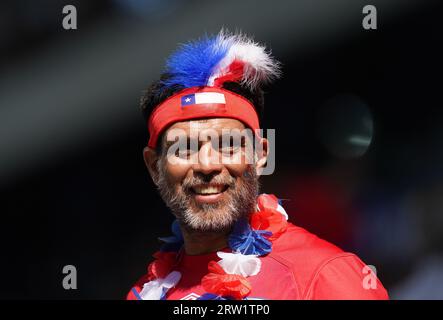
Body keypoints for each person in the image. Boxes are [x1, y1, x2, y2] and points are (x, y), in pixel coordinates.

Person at [126, 30, 389, 300]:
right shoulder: (142, 294)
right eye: (184, 149)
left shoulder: (325, 275)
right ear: (154, 167)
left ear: (260, 154)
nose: (207, 165)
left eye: (228, 145)